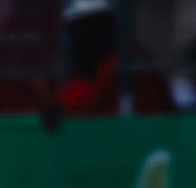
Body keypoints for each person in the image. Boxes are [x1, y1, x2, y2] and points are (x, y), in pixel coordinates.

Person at [33, 0, 174, 126]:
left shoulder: (123, 59)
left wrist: (56, 103)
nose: (85, 37)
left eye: (91, 26)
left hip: (146, 137)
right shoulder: (90, 64)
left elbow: (91, 95)